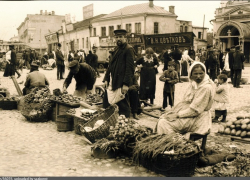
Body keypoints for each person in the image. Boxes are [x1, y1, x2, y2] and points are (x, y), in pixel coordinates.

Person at [154, 62, 214, 139]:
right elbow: (186, 101)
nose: (198, 76)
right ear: (191, 74)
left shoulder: (205, 87)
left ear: (205, 73)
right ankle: (171, 141)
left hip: (197, 118)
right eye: (195, 74)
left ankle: (172, 143)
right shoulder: (194, 83)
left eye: (201, 73)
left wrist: (178, 115)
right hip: (189, 114)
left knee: (164, 123)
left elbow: (195, 110)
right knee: (164, 117)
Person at [103, 29, 135, 118]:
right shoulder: (116, 49)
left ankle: (124, 124)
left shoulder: (129, 49)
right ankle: (110, 122)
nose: (118, 39)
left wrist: (126, 84)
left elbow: (130, 68)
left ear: (125, 38)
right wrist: (106, 79)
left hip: (121, 82)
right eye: (116, 37)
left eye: (120, 37)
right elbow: (110, 65)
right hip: (113, 81)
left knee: (123, 105)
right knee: (107, 104)